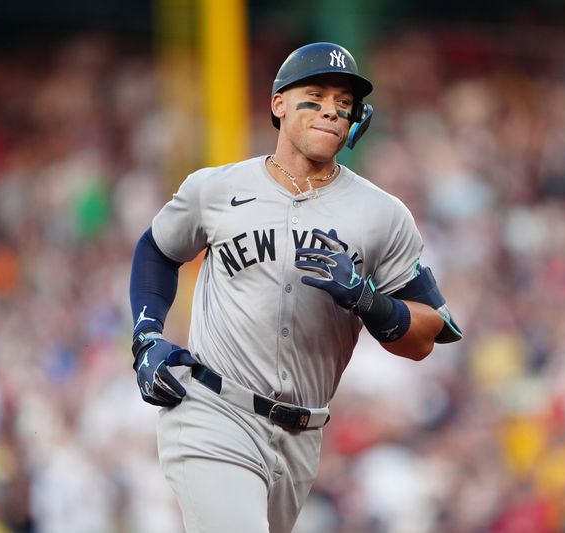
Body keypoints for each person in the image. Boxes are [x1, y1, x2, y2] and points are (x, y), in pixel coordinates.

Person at [128, 41, 462, 533]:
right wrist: (148, 335)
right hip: (213, 411)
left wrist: (372, 303)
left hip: (301, 436)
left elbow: (428, 333)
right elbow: (156, 250)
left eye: (344, 103)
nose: (332, 109)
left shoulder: (381, 214)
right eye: (317, 94)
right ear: (278, 103)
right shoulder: (216, 189)